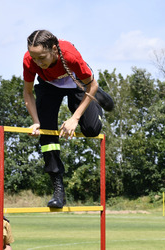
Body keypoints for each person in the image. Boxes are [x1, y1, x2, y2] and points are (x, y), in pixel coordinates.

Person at [23, 30, 114, 208]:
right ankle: (58, 189)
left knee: (91, 130)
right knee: (47, 134)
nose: (38, 63)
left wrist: (74, 118)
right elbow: (27, 92)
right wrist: (36, 121)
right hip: (49, 87)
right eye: (34, 59)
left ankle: (96, 95)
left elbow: (91, 84)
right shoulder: (29, 59)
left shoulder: (70, 56)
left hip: (78, 82)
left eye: (42, 57)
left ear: (54, 50)